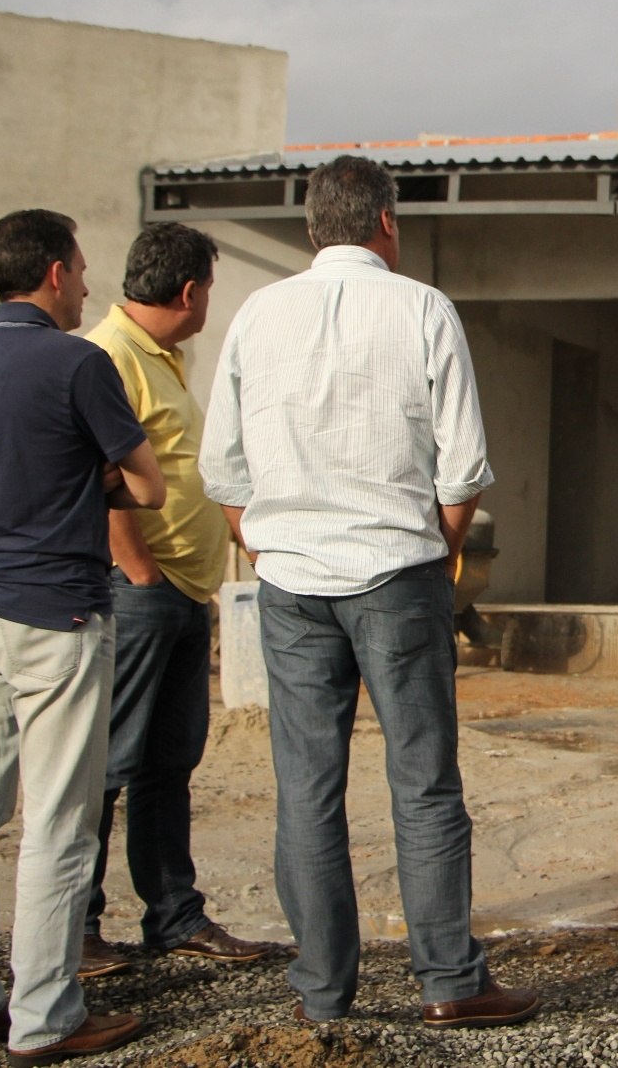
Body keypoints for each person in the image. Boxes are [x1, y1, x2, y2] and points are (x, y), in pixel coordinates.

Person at [199, 156, 540, 1029]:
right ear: (385, 221)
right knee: (423, 781)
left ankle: (323, 992)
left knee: (306, 787)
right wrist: (442, 552)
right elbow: (461, 467)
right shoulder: (423, 308)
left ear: (315, 227)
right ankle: (449, 983)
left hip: (290, 580)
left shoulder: (256, 314)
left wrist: (268, 543)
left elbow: (222, 470)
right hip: (398, 572)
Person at [0, 209, 165, 1064]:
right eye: (83, 267)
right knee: (60, 822)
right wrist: (97, 475)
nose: (91, 283)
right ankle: (46, 1017)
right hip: (57, 612)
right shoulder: (78, 362)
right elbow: (151, 487)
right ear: (56, 274)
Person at [78, 223, 283, 977]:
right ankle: (79, 928)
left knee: (167, 762)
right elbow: (95, 475)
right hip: (143, 594)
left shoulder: (159, 359)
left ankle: (174, 917)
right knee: (109, 763)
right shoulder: (108, 357)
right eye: (209, 292)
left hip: (179, 594)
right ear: (190, 291)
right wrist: (137, 572)